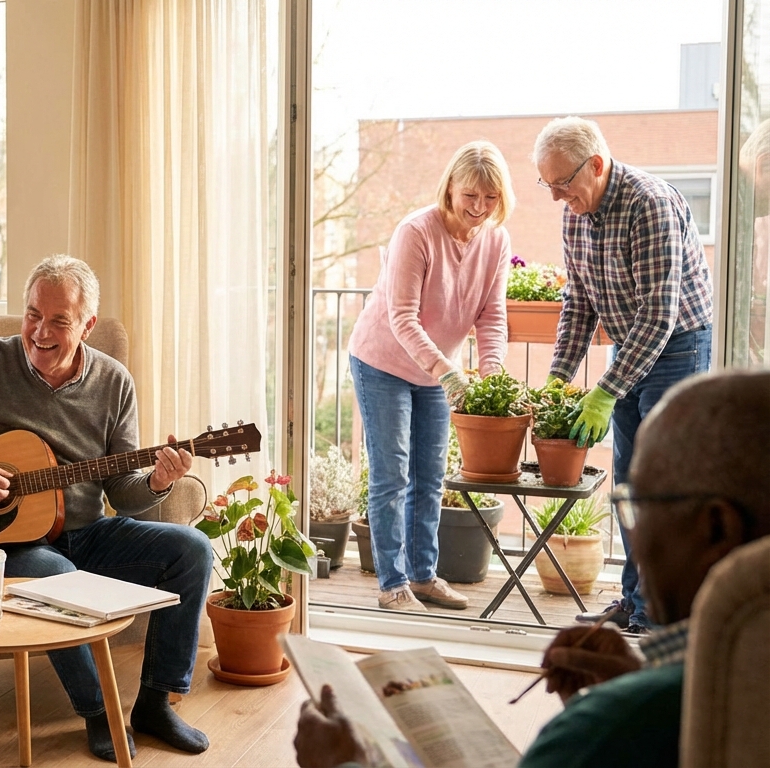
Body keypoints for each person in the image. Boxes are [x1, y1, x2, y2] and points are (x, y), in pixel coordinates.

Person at [292, 369, 770, 768]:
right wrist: (635, 675)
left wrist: (344, 764)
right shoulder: (730, 691)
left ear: (715, 529)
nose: (634, 535)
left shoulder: (609, 729)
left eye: (638, 505)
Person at [0, 255, 212, 762]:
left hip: (87, 531)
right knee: (57, 575)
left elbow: (123, 492)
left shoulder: (114, 382)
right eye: (34, 314)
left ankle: (155, 703)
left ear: (88, 325)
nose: (41, 331)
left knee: (192, 549)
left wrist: (158, 482)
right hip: (6, 545)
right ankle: (98, 713)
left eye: (60, 320)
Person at [532, 116, 714, 635]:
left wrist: (605, 392)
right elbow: (578, 305)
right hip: (632, 347)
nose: (555, 197)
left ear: (596, 164)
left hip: (679, 345)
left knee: (662, 486)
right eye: (547, 185)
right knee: (631, 487)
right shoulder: (575, 214)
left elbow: (659, 314)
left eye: (562, 183)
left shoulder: (649, 204)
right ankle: (636, 603)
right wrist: (560, 380)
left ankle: (663, 614)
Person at [346, 140, 516, 613]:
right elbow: (402, 317)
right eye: (471, 196)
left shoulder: (496, 241)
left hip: (439, 372)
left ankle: (423, 576)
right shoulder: (416, 231)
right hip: (383, 360)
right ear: (451, 188)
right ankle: (392, 584)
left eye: (490, 198)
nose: (479, 208)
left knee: (431, 475)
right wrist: (447, 372)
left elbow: (491, 314)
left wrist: (491, 373)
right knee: (392, 473)